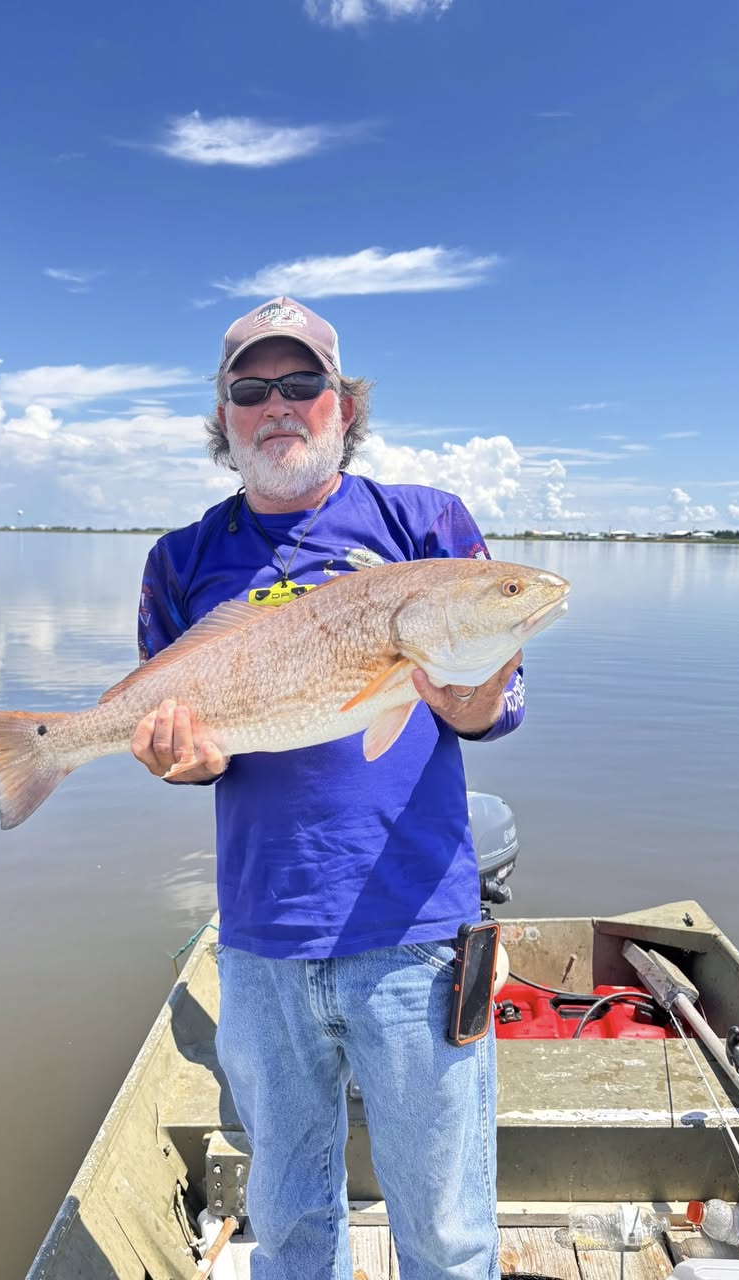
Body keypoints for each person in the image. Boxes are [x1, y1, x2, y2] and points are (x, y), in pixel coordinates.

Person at [132, 297, 524, 1280]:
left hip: (417, 934)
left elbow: (498, 707)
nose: (277, 404)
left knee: (447, 1232)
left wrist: (474, 694)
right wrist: (181, 757)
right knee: (290, 1228)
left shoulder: (425, 523)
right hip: (261, 941)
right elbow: (183, 740)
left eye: (302, 382)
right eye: (250, 388)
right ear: (223, 416)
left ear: (344, 404)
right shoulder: (178, 561)